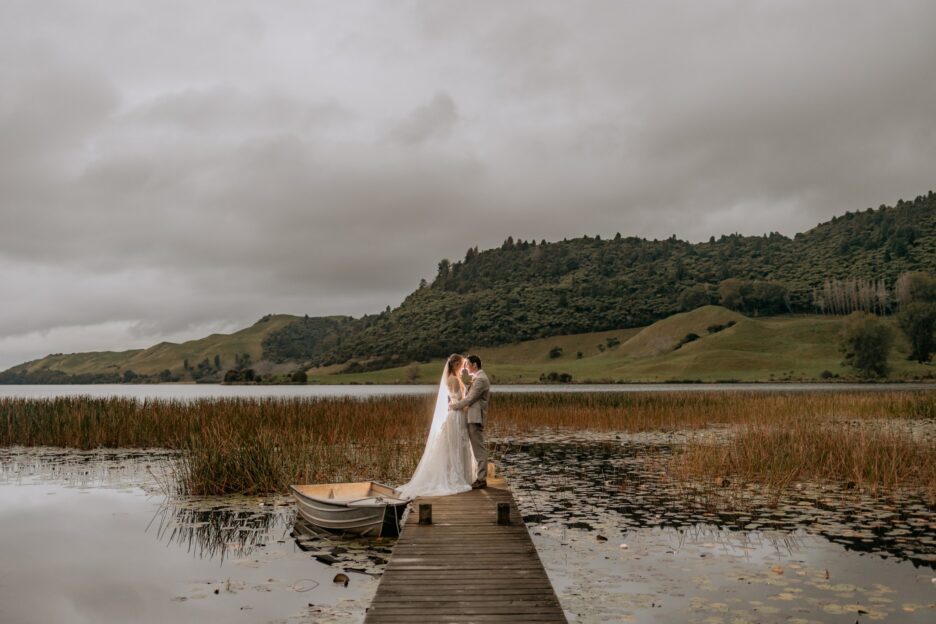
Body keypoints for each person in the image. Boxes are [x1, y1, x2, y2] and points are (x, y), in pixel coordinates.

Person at [397, 354, 476, 498]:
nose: (464, 368)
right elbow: (459, 401)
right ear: (456, 364)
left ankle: (456, 473)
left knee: (454, 445)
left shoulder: (450, 379)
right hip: (457, 416)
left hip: (454, 414)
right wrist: (469, 400)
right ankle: (458, 476)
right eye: (462, 364)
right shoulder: (455, 380)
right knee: (457, 445)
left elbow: (452, 401)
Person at [450, 354, 491, 489]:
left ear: (474, 365)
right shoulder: (477, 378)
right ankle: (479, 477)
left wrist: (454, 406)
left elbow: (470, 399)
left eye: (467, 364)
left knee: (478, 449)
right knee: (475, 448)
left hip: (475, 418)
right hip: (472, 417)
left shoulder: (481, 380)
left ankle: (481, 479)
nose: (466, 367)